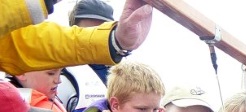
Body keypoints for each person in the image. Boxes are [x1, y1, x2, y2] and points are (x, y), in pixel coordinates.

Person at [1, 0, 152, 76]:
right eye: (88, 29)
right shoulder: (59, 74)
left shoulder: (120, 75)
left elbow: (20, 44)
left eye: (99, 28)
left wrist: (116, 40)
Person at [58, 0, 115, 112]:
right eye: (88, 32)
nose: (94, 38)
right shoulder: (57, 76)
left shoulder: (125, 74)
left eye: (102, 31)